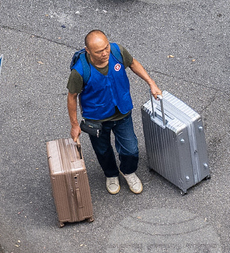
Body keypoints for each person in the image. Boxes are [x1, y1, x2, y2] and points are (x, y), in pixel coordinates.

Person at [67, 30, 162, 195]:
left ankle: (128, 171)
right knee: (102, 150)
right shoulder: (79, 71)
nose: (105, 53)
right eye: (99, 51)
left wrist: (151, 82)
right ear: (87, 50)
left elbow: (133, 63)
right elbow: (72, 97)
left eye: (106, 48)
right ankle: (111, 174)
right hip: (95, 118)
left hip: (122, 112)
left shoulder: (117, 52)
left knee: (131, 149)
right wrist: (75, 125)